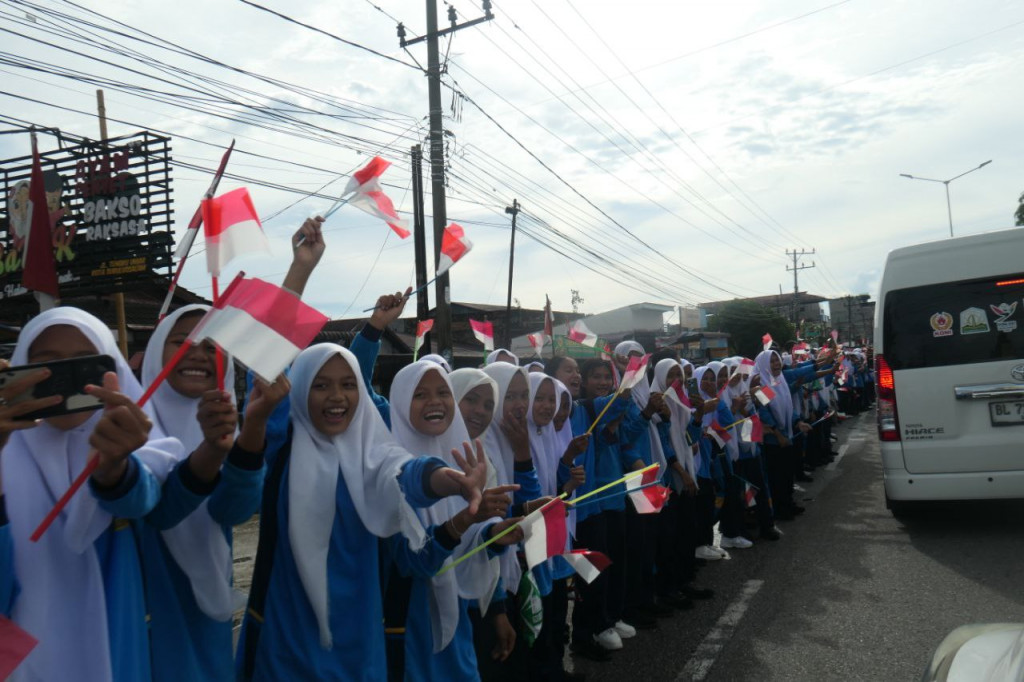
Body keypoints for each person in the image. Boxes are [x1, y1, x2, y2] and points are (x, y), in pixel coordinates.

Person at [236, 345, 487, 681]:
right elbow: (268, 363)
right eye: (321, 385)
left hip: (360, 646)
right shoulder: (282, 451)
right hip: (287, 639)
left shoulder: (374, 460)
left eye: (349, 384)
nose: (337, 396)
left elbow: (411, 474)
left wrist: (453, 482)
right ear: (298, 390)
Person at [0, 308, 185, 681]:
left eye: (83, 364)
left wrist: (113, 467)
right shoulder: (6, 447)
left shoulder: (137, 446)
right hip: (19, 651)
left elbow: (141, 498)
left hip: (112, 645)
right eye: (45, 365)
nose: (66, 380)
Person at [140, 304, 286, 682]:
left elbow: (235, 510)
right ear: (156, 352)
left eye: (212, 345)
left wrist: (252, 426)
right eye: (180, 340)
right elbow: (155, 509)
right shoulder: (129, 428)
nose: (197, 352)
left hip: (209, 613)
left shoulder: (225, 421)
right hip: (144, 607)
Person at [385, 362, 521, 681]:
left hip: (455, 615)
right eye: (420, 394)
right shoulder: (389, 467)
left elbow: (465, 545)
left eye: (443, 392)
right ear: (401, 401)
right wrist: (466, 520)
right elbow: (412, 561)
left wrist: (495, 534)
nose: (435, 401)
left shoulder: (465, 459)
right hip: (409, 621)